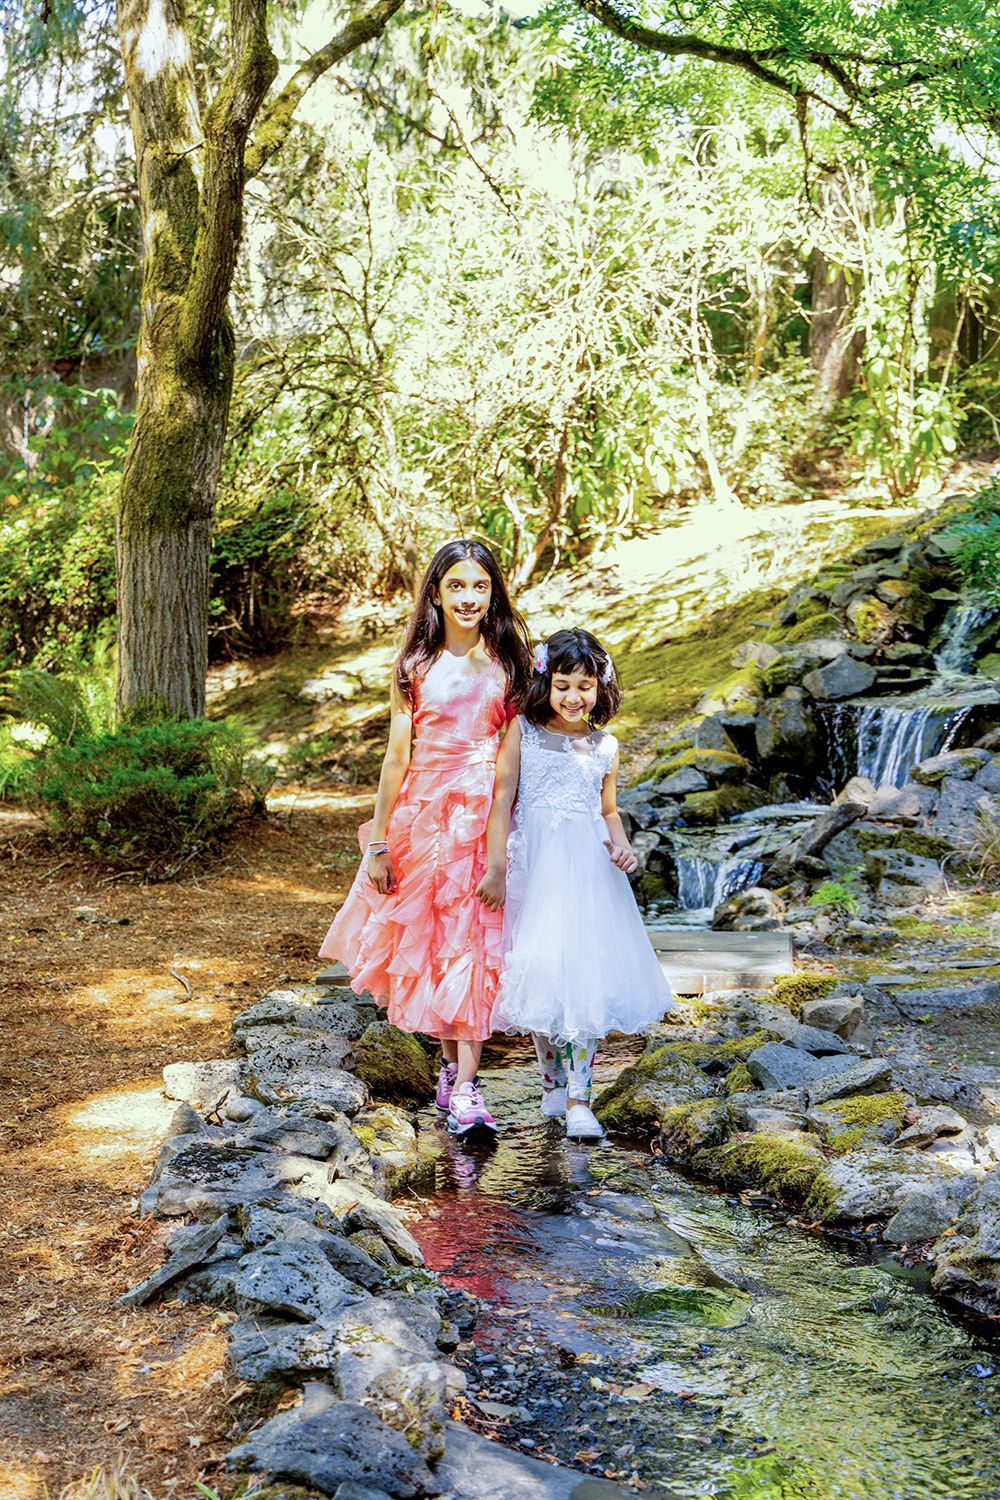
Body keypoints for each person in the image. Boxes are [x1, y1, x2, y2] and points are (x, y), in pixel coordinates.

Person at [320, 538, 531, 1135]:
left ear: (494, 594)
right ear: (436, 593)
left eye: (480, 586)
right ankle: (450, 1070)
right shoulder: (415, 666)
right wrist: (379, 843)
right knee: (437, 945)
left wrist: (498, 856)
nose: (469, 597)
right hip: (421, 822)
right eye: (456, 585)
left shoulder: (510, 666)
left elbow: (509, 768)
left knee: (475, 944)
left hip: (480, 822)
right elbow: (396, 757)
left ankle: (467, 1088)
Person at [477, 627, 675, 1140]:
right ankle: (551, 1084)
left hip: (587, 870)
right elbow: (502, 799)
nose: (572, 697)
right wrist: (495, 867)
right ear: (546, 683)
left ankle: (580, 1100)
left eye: (584, 687)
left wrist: (621, 845)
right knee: (540, 973)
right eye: (562, 685)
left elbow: (607, 811)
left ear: (600, 687)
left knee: (583, 977)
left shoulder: (604, 746)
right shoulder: (523, 731)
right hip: (534, 866)